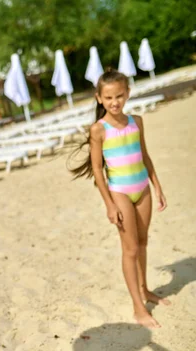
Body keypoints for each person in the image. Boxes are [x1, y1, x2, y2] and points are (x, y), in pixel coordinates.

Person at [69, 69, 169, 329]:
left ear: (128, 94)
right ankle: (138, 308)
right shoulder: (98, 130)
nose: (115, 102)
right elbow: (99, 173)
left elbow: (145, 156)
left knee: (144, 242)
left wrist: (157, 186)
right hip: (120, 192)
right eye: (109, 97)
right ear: (99, 98)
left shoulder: (136, 121)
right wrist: (109, 204)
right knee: (131, 249)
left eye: (119, 96)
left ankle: (145, 290)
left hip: (142, 189)